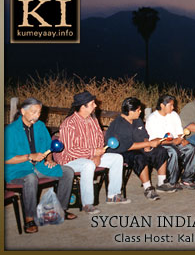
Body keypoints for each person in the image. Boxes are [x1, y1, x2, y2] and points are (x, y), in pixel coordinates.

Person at [4, 98, 77, 233]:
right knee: (30, 178)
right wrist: (29, 156)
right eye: (33, 112)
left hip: (39, 166)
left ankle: (61, 209)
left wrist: (49, 159)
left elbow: (47, 148)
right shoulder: (10, 130)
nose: (37, 115)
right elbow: (6, 159)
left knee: (67, 171)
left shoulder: (40, 126)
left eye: (39, 112)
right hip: (17, 170)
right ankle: (29, 218)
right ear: (23, 112)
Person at [55, 91, 130, 214]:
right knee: (88, 165)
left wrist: (97, 154)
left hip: (91, 156)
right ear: (83, 106)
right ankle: (87, 204)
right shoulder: (69, 123)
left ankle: (113, 195)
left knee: (117, 158)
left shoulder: (92, 120)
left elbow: (100, 139)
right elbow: (70, 150)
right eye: (92, 103)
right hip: (70, 160)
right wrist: (93, 153)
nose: (95, 105)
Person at [107, 97, 175, 201]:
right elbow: (128, 146)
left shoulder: (137, 120)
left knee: (160, 151)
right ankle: (148, 188)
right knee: (139, 157)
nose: (140, 112)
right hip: (122, 152)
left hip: (138, 146)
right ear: (130, 111)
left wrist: (147, 143)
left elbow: (144, 134)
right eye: (138, 110)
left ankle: (162, 182)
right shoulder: (119, 124)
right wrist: (145, 144)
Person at [145, 95, 195, 190]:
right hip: (160, 145)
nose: (173, 108)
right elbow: (154, 140)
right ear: (162, 105)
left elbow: (179, 132)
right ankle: (171, 182)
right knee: (172, 152)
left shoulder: (174, 115)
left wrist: (181, 139)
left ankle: (187, 179)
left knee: (191, 148)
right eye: (170, 105)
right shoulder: (152, 118)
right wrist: (173, 141)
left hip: (174, 142)